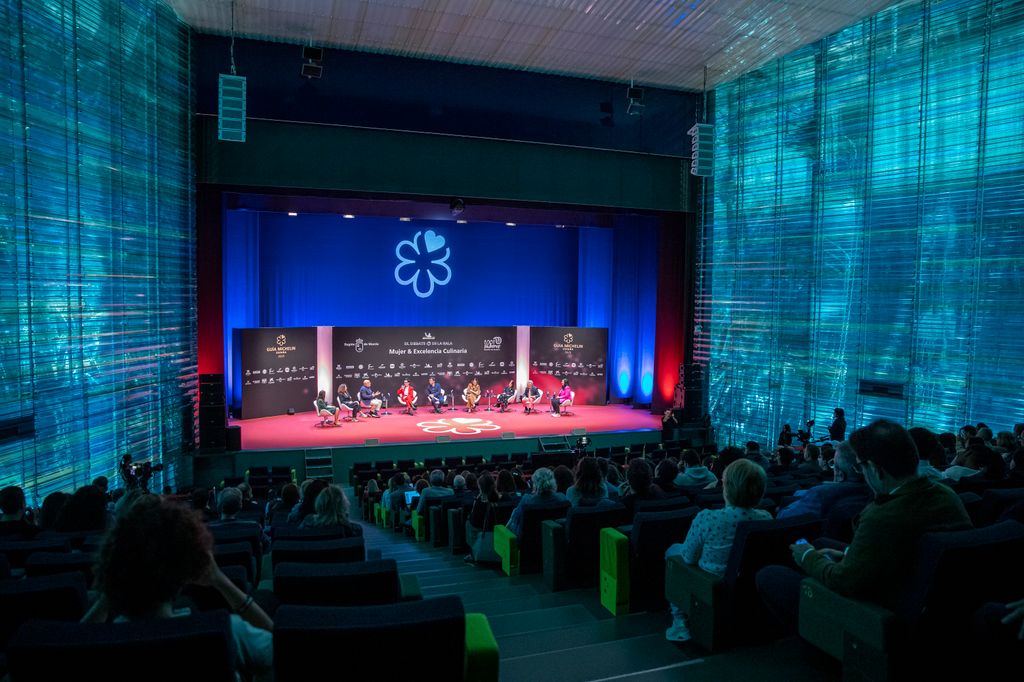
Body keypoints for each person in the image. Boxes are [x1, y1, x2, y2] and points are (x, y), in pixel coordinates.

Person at [756, 419, 972, 631]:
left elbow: (844, 581)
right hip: (920, 595)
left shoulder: (883, 516)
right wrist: (850, 553)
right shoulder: (946, 495)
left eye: (860, 466)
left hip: (878, 614)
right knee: (822, 542)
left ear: (875, 469)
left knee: (770, 575)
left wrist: (806, 556)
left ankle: (821, 640)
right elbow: (904, 548)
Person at [83, 494, 273, 681]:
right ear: (188, 567)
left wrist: (111, 590)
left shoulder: (98, 642)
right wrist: (221, 581)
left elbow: (74, 642)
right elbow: (282, 644)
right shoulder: (228, 630)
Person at [665, 459, 773, 641]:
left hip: (709, 582)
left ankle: (679, 620)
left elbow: (688, 558)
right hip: (746, 582)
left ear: (727, 488)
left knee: (672, 552)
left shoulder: (707, 518)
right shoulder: (766, 517)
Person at [776, 441, 871, 519]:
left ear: (840, 473)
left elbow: (783, 517)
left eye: (833, 464)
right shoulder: (875, 495)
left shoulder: (820, 495)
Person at [505, 468, 568, 536]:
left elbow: (514, 521)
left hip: (529, 543)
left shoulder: (527, 500)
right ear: (553, 482)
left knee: (515, 512)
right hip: (555, 541)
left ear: (534, 484)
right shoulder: (562, 498)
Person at [465, 472, 500, 564]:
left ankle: (473, 553)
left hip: (485, 530)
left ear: (480, 487)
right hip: (501, 529)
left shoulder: (479, 502)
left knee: (468, 524)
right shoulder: (503, 497)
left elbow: (474, 522)